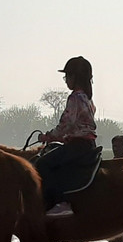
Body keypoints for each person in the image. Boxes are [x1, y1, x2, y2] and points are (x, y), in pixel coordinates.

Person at [36, 56, 97, 216]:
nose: (65, 80)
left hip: (78, 146)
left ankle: (60, 202)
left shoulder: (75, 98)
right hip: (85, 145)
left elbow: (65, 125)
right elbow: (73, 128)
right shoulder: (87, 98)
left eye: (67, 76)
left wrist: (47, 137)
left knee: (42, 164)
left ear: (75, 77)